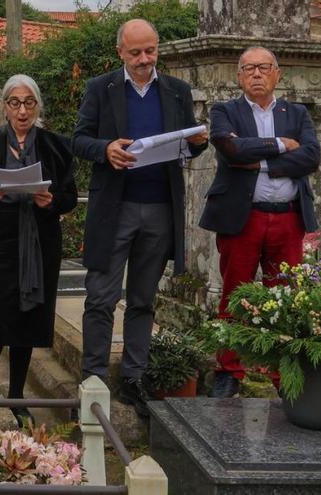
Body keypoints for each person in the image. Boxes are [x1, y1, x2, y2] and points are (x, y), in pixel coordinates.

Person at [72, 19, 208, 418]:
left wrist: (198, 144)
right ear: (120, 52)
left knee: (144, 300)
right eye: (136, 53)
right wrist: (106, 149)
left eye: (150, 51)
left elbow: (186, 147)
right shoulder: (101, 88)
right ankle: (93, 376)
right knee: (100, 297)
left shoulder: (178, 91)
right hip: (115, 209)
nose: (145, 60)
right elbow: (79, 139)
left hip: (160, 208)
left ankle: (134, 376)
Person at [200, 46, 321, 398]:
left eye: (264, 67)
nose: (256, 74)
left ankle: (283, 375)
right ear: (239, 76)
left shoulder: (297, 113)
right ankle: (228, 371)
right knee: (234, 295)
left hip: (287, 219)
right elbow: (231, 151)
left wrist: (261, 160)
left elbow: (311, 156)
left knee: (285, 298)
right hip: (243, 218)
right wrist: (283, 145)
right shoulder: (225, 111)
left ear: (277, 75)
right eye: (249, 68)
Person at [0, 74, 78, 427]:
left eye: (29, 103)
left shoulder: (57, 146)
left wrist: (51, 200)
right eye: (15, 102)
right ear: (5, 107)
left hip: (39, 238)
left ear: (38, 106)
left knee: (28, 314)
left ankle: (16, 394)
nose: (22, 110)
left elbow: (69, 197)